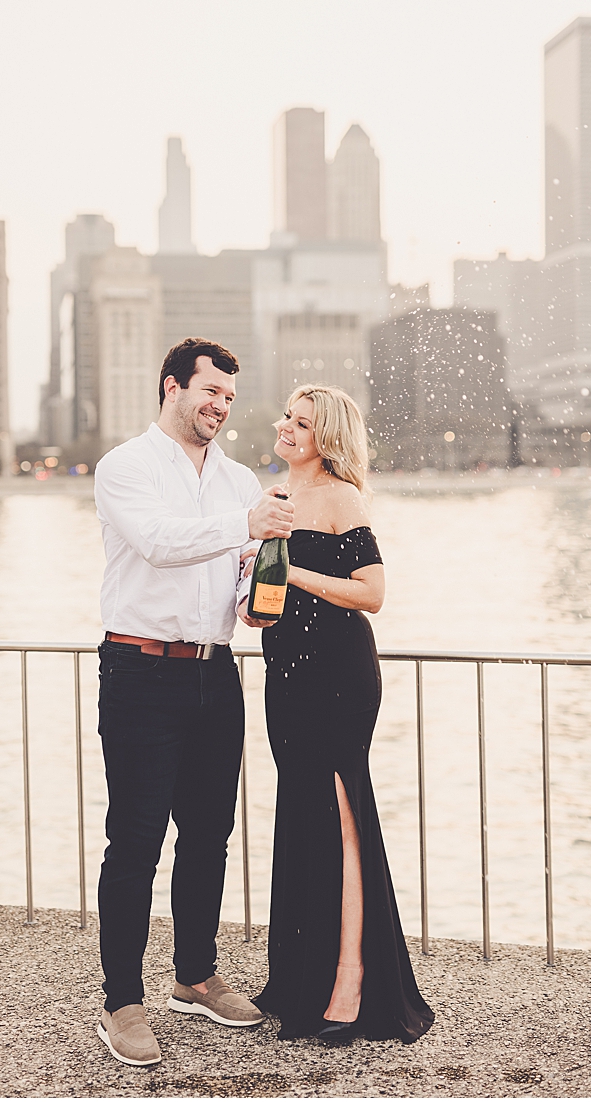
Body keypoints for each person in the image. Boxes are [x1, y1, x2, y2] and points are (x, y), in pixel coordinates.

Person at [92, 338, 295, 1067]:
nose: (219, 406)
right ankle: (122, 1000)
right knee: (136, 839)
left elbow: (242, 572)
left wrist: (255, 596)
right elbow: (157, 543)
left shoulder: (240, 476)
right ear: (172, 385)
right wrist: (247, 526)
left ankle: (194, 975)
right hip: (139, 669)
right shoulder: (125, 466)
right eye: (209, 391)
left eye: (230, 398)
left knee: (210, 832)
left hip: (217, 672)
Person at [246, 384, 434, 1044]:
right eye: (287, 417)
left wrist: (294, 571)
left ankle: (352, 980)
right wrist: (256, 589)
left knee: (343, 815)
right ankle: (302, 975)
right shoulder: (271, 499)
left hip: (339, 677)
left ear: (326, 437)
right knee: (303, 817)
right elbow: (262, 603)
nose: (287, 427)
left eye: (302, 422)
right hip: (284, 678)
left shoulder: (342, 497)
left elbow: (372, 593)